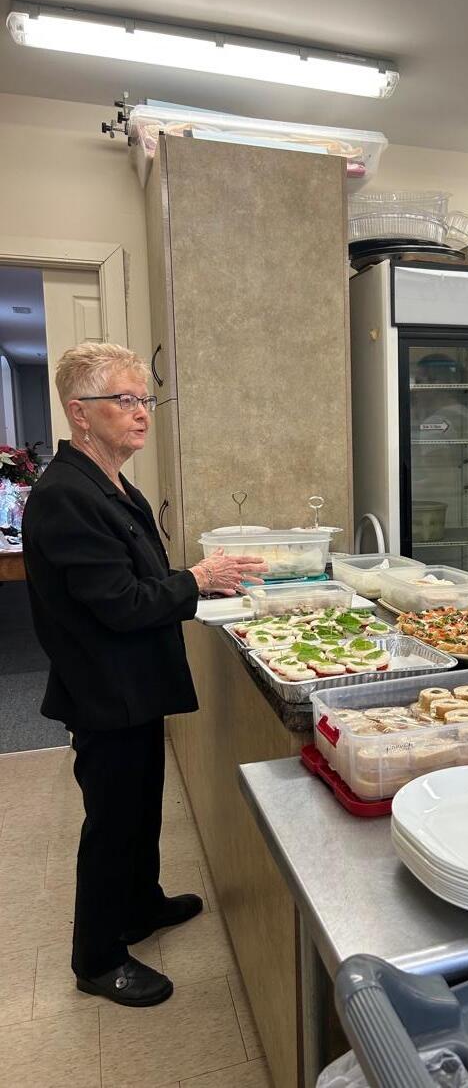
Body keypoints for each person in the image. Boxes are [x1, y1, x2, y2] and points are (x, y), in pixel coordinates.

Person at [22, 343, 266, 1008]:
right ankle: (97, 957)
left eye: (144, 399)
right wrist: (199, 579)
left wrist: (198, 584)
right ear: (80, 412)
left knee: (140, 806)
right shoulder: (66, 495)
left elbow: (134, 579)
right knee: (112, 822)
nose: (141, 413)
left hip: (134, 683)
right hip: (104, 689)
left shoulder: (109, 482)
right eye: (124, 400)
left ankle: (139, 904)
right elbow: (121, 604)